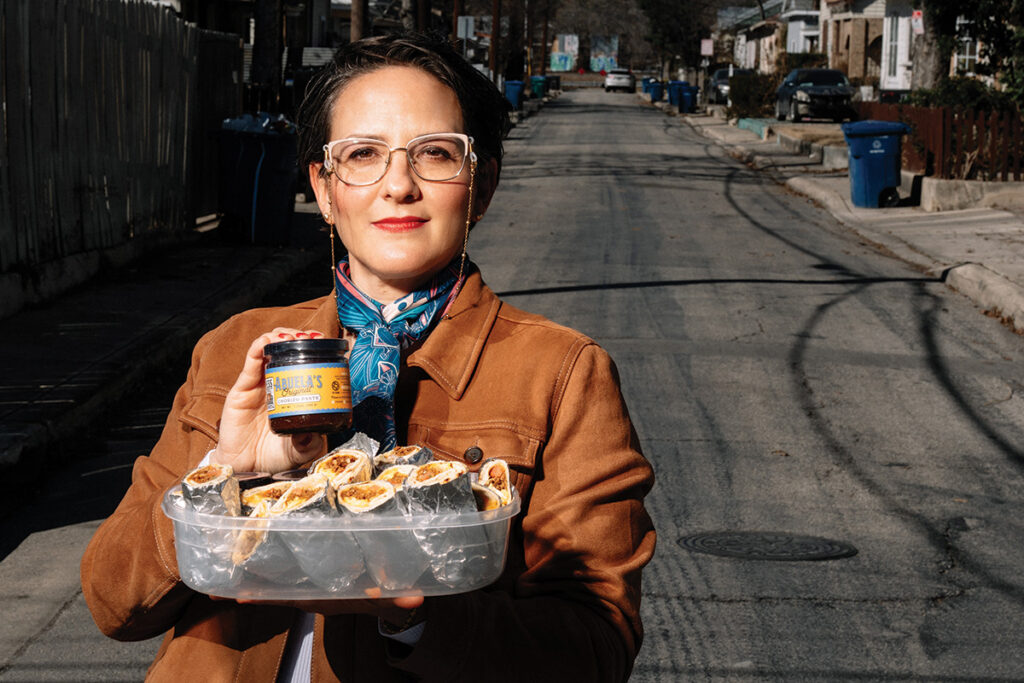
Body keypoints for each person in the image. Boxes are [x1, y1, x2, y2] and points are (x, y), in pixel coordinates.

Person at [81, 32, 656, 682]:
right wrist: (224, 472)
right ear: (325, 191)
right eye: (363, 154)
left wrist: (415, 613)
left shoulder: (561, 374)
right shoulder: (235, 351)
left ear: (482, 185)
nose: (398, 185)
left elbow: (595, 647)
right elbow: (113, 600)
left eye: (436, 154)